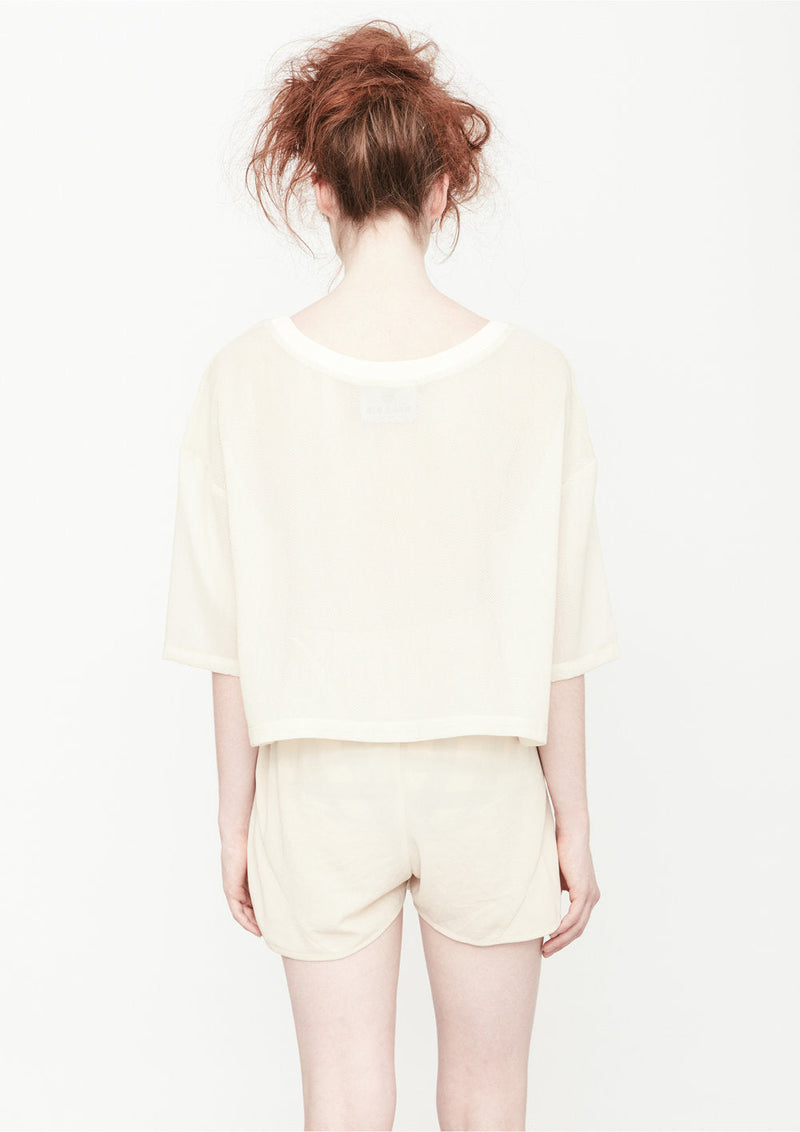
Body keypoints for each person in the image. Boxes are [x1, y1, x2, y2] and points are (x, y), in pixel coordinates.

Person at [162, 18, 621, 1132]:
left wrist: (235, 819)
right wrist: (571, 818)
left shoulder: (240, 378)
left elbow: (224, 635)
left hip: (315, 779)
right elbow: (560, 627)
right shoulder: (535, 377)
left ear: (316, 184)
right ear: (445, 184)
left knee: (342, 1102)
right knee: (489, 1101)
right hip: (488, 777)